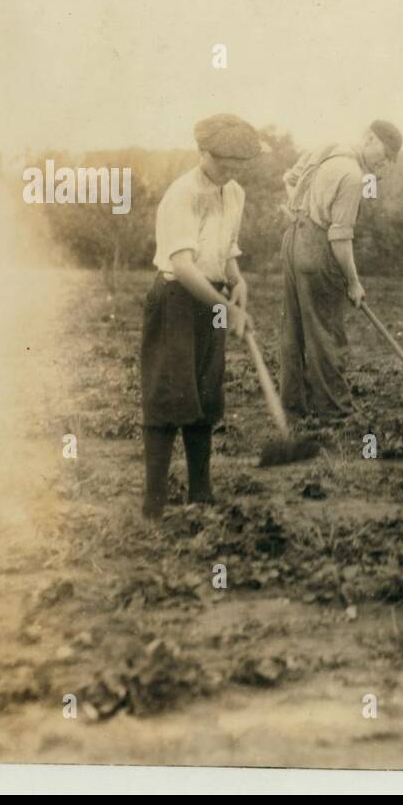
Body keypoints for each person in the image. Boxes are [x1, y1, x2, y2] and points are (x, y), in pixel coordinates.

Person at [141, 113, 260, 519]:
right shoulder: (183, 194)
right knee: (169, 394)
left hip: (211, 298)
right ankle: (153, 503)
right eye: (224, 160)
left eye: (240, 162)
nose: (231, 169)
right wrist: (225, 308)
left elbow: (225, 250)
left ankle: (201, 494)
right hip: (176, 299)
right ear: (203, 151)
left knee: (207, 395)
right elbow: (185, 265)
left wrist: (237, 280)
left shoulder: (235, 193)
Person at [278, 120, 402, 423]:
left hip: (293, 240)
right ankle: (335, 412)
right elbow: (340, 237)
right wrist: (354, 282)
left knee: (294, 331)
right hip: (318, 248)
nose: (382, 163)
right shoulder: (353, 176)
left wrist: (297, 207)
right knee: (326, 332)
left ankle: (295, 408)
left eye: (387, 160)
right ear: (369, 138)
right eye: (382, 155)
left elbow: (289, 178)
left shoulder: (328, 147)